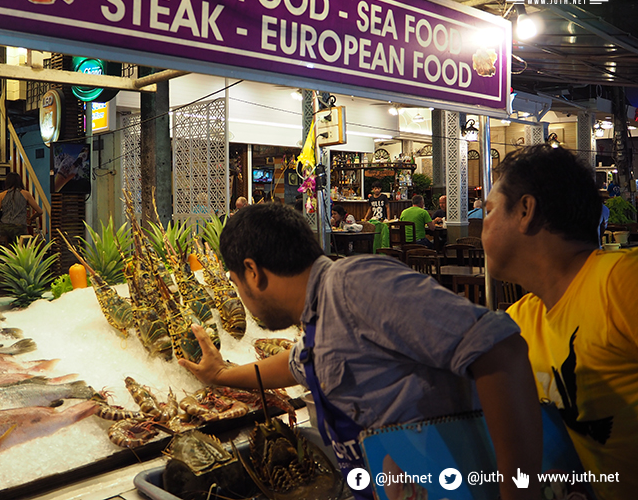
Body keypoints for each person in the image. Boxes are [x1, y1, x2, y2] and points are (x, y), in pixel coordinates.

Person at [179, 203, 541, 500]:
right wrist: (221, 374)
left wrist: (519, 490)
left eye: (235, 284)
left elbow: (499, 348)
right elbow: (298, 364)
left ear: (253, 272)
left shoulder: (356, 284)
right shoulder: (321, 315)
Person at [483, 144, 638, 500]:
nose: (482, 222)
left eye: (489, 210)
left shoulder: (620, 282)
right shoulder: (519, 321)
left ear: (525, 210)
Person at [0, 172, 44, 245]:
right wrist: (31, 218)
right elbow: (40, 211)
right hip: (20, 226)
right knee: (21, 251)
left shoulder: (1, 195)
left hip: (5, 226)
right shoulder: (26, 194)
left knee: (7, 252)